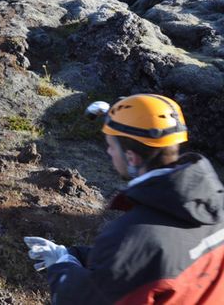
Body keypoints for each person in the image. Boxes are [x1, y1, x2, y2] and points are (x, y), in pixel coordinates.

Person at [26, 94, 224, 304]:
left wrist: (62, 268)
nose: (109, 151)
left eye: (111, 145)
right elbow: (158, 260)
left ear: (131, 158)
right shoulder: (215, 203)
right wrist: (74, 254)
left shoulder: (129, 237)